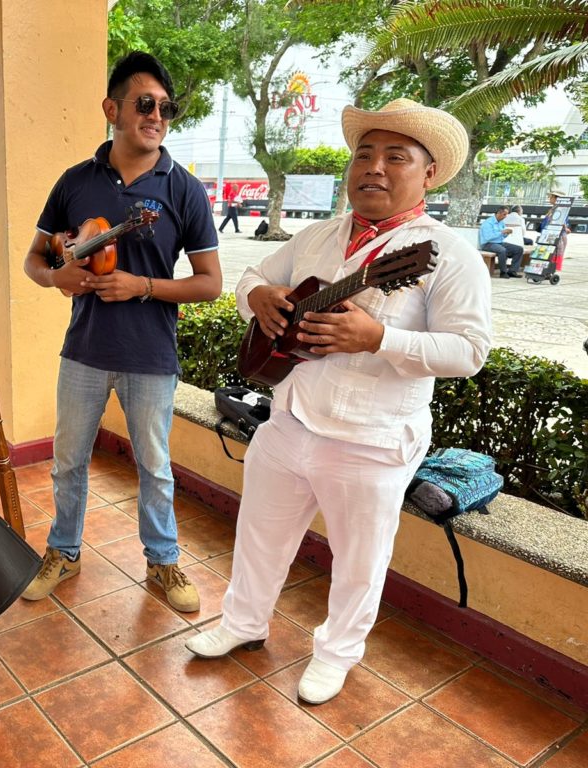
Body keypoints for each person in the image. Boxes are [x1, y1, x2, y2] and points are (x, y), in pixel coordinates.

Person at [185, 98, 491, 705]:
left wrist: (379, 338)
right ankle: (243, 622)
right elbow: (250, 279)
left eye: (395, 157)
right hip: (289, 420)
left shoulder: (446, 253)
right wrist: (260, 297)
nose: (373, 167)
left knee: (358, 562)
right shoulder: (319, 234)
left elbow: (470, 350)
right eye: (364, 154)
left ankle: (336, 654)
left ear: (429, 174)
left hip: (372, 441)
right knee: (259, 536)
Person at [21, 51, 221, 612]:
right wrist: (56, 276)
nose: (156, 116)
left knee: (154, 467)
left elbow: (210, 283)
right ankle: (64, 551)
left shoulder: (183, 189)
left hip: (150, 354)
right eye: (145, 104)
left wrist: (142, 286)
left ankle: (163, 561)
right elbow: (35, 259)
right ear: (112, 109)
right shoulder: (75, 181)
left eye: (166, 108)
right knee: (68, 461)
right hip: (83, 350)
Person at [479, 206, 523, 277]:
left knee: (519, 249)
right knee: (502, 250)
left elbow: (502, 236)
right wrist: (502, 232)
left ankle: (512, 271)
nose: (505, 216)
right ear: (499, 213)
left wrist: (506, 233)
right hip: (487, 244)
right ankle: (503, 272)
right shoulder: (488, 223)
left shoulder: (501, 222)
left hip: (499, 243)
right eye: (504, 214)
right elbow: (488, 237)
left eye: (506, 214)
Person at [542, 188, 572, 269]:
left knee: (555, 252)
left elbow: (560, 221)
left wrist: (565, 228)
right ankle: (550, 268)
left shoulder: (559, 209)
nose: (550, 198)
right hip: (554, 233)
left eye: (551, 196)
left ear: (556, 198)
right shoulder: (555, 208)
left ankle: (552, 269)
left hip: (558, 234)